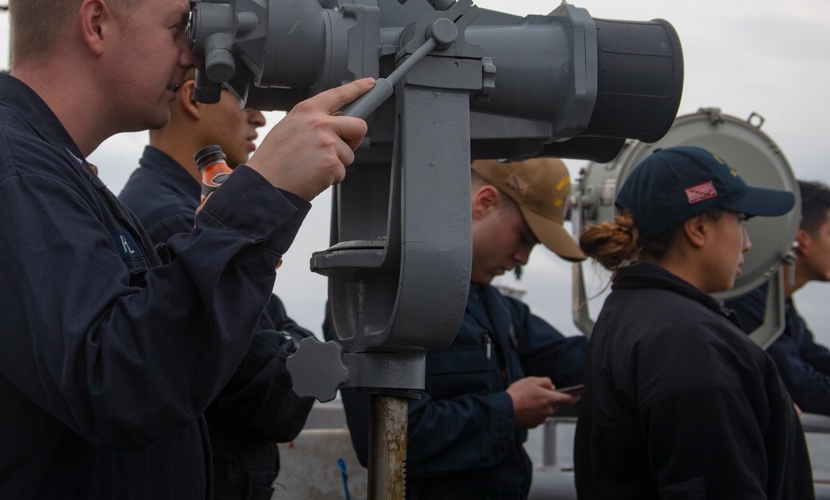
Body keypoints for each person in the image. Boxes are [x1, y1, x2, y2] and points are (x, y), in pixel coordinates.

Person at [0, 0, 373, 499]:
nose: (191, 58)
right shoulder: (4, 173)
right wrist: (261, 193)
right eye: (175, 28)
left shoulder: (38, 171)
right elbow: (126, 384)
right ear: (97, 24)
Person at [330, 158, 588, 500]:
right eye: (524, 237)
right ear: (484, 202)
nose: (523, 257)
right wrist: (507, 410)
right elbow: (389, 439)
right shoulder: (383, 303)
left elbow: (568, 357)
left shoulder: (497, 306)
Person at [574, 146, 813, 499]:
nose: (746, 244)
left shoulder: (631, 312)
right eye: (741, 220)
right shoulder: (691, 346)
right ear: (698, 228)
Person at [118, 73, 315, 499]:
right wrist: (298, 344)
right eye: (245, 96)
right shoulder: (178, 222)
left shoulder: (172, 211)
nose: (259, 117)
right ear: (193, 96)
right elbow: (277, 397)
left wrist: (285, 338)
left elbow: (269, 326)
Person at [726, 179, 830, 416]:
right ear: (802, 238)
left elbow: (814, 357)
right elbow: (802, 386)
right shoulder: (749, 303)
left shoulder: (779, 304)